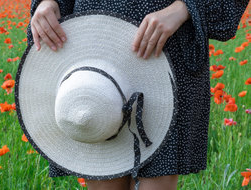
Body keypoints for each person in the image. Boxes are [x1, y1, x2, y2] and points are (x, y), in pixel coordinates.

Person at [26, 0, 248, 189]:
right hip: (93, 48)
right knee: (102, 170)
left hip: (164, 49)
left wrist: (184, 7)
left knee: (158, 178)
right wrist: (50, 1)